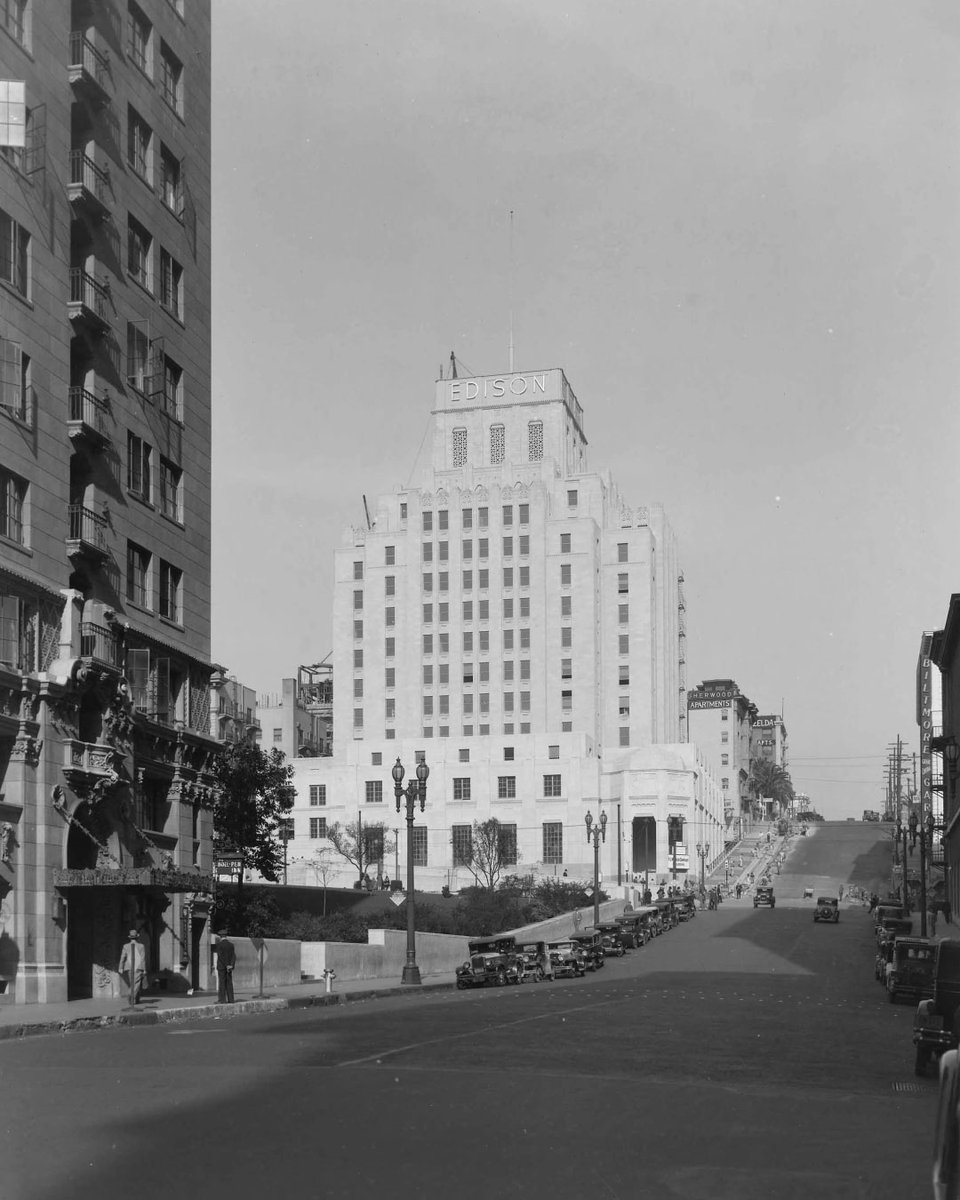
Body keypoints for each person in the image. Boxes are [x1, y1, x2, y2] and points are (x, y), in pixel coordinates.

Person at [119, 928, 145, 1004]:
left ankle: (135, 1000)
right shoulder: (141, 946)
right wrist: (144, 969)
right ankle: (130, 994)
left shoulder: (125, 946)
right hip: (138, 967)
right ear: (137, 937)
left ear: (130, 937)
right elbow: (143, 958)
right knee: (136, 984)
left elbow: (122, 957)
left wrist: (120, 967)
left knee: (132, 983)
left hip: (129, 967)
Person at [215, 930, 236, 1004]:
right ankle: (231, 999)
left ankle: (222, 1000)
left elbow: (221, 956)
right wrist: (231, 965)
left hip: (222, 967)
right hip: (229, 967)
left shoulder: (219, 945)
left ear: (220, 936)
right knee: (229, 983)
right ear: (226, 936)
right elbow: (233, 956)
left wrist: (226, 965)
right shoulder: (231, 945)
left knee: (222, 983)